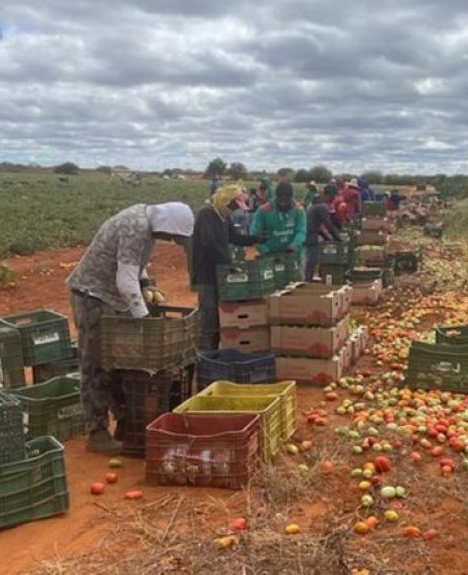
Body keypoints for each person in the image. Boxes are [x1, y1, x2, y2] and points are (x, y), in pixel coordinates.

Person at [67, 202, 194, 455]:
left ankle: (125, 423)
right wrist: (145, 320)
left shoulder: (144, 223)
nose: (169, 240)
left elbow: (134, 262)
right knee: (96, 365)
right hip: (92, 296)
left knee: (119, 362)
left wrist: (145, 283)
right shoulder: (135, 226)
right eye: (170, 235)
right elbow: (125, 281)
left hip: (109, 297)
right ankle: (97, 432)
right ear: (166, 224)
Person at [192, 185, 266, 351]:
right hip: (207, 274)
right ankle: (204, 354)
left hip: (222, 274)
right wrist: (229, 263)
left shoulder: (225, 217)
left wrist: (256, 238)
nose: (234, 210)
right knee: (209, 316)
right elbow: (209, 243)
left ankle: (215, 350)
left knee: (222, 315)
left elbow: (234, 237)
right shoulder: (207, 214)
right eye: (233, 206)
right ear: (225, 201)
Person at [250, 181, 306, 262]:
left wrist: (295, 245)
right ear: (276, 196)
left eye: (286, 201)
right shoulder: (263, 210)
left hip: (292, 257)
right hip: (269, 257)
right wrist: (264, 250)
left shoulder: (298, 210)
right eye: (280, 201)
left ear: (291, 198)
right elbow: (254, 232)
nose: (283, 204)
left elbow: (301, 231)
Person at [304, 184, 342, 282]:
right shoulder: (321, 206)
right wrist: (339, 239)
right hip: (310, 235)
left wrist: (327, 238)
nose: (334, 198)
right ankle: (307, 282)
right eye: (333, 196)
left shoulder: (315, 203)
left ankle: (310, 280)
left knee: (312, 260)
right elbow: (328, 225)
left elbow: (319, 226)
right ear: (328, 194)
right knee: (311, 262)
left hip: (311, 234)